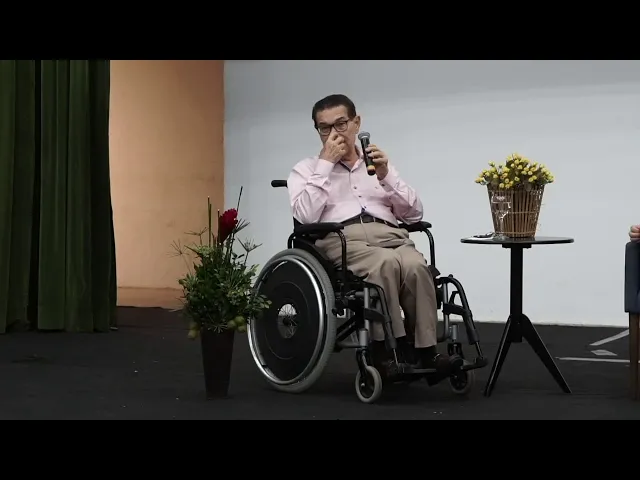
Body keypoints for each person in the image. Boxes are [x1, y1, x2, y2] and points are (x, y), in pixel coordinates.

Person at [287, 93, 463, 378]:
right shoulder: (306, 169)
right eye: (325, 128)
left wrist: (386, 175)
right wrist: (325, 165)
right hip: (343, 239)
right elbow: (305, 218)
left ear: (356, 123)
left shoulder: (377, 164)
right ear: (317, 131)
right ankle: (386, 351)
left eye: (341, 124)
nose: (335, 134)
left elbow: (414, 215)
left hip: (390, 234)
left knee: (416, 267)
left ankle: (427, 351)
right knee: (385, 264)